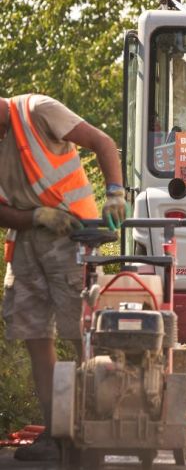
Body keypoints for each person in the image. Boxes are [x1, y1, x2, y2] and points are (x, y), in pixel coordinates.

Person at [0, 93, 126, 461]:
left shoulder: (38, 110)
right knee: (34, 335)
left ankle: (94, 430)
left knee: (82, 335)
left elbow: (102, 142)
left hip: (74, 238)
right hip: (26, 244)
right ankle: (56, 432)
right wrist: (36, 217)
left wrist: (115, 193)